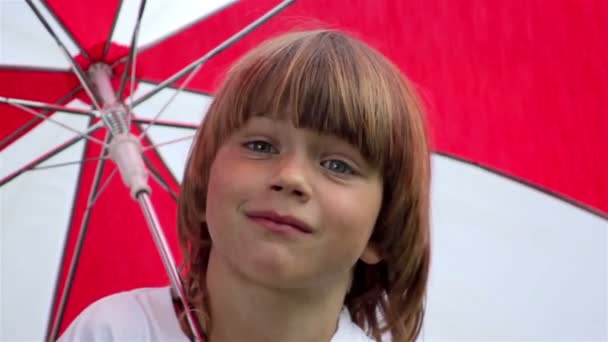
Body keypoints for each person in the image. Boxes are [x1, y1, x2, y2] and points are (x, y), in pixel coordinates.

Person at [59, 29, 431, 342]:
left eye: (338, 165)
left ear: (382, 231)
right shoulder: (113, 332)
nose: (290, 177)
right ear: (204, 185)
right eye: (261, 146)